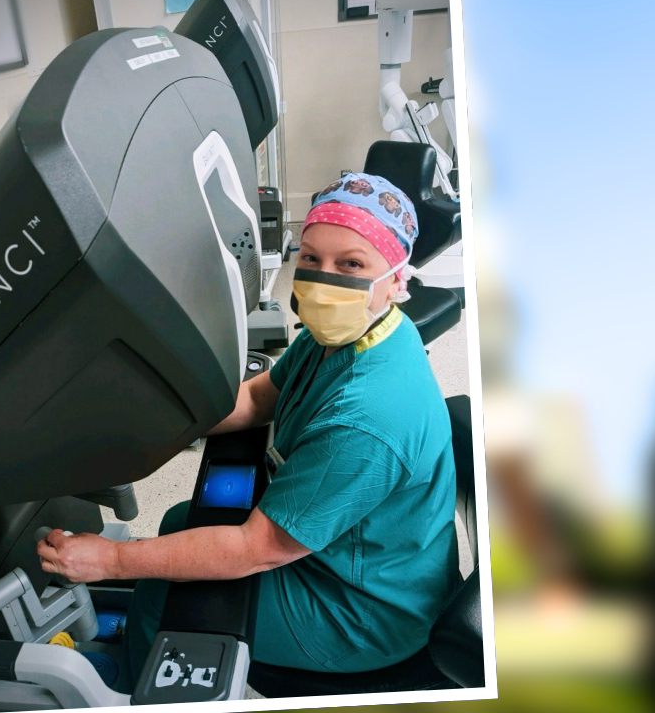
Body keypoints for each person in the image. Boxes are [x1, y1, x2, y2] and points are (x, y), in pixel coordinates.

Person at [38, 172, 461, 688]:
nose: (325, 280)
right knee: (179, 519)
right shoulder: (347, 333)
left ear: (398, 279)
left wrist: (111, 559)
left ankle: (126, 686)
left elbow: (254, 548)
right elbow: (261, 396)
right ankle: (138, 637)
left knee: (164, 583)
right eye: (310, 258)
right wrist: (150, 427)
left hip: (362, 611)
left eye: (351, 264)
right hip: (349, 555)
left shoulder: (369, 417)